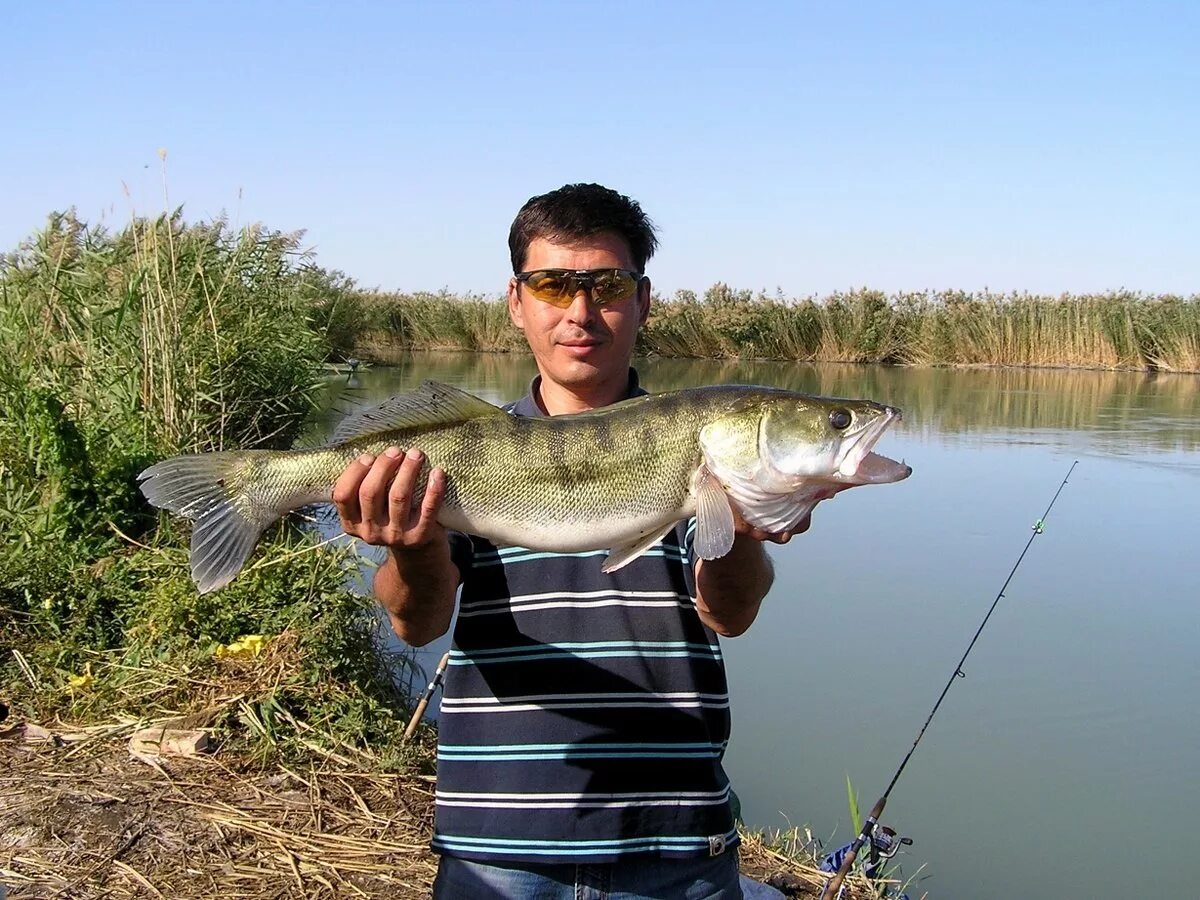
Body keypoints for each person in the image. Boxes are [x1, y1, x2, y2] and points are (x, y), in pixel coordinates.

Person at [333, 184, 810, 899]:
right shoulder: (466, 448)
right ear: (516, 301)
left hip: (675, 841)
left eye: (607, 285)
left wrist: (743, 525)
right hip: (498, 844)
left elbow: (731, 615)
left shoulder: (702, 440)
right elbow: (416, 622)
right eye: (554, 285)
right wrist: (410, 544)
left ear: (644, 300)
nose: (580, 312)